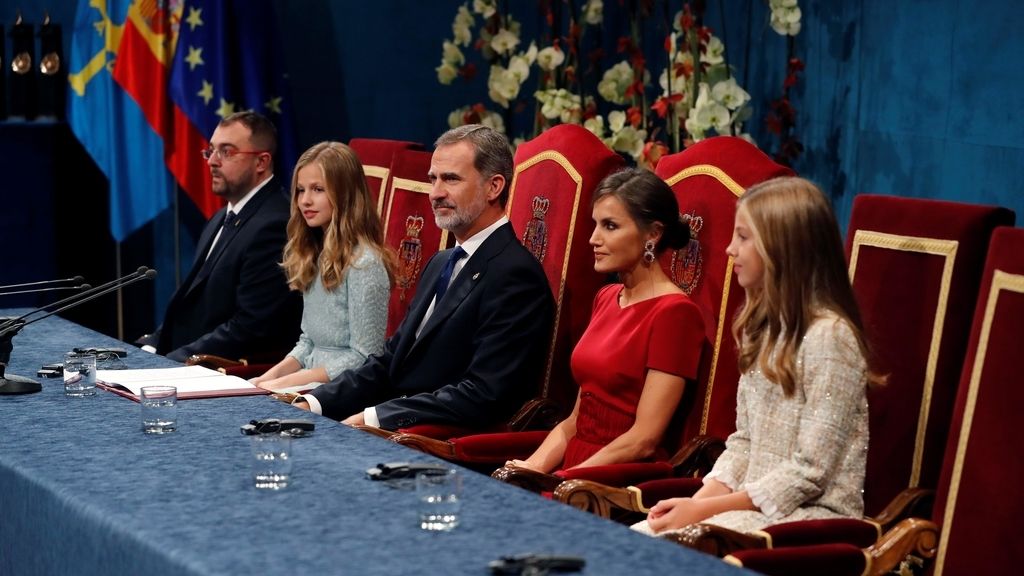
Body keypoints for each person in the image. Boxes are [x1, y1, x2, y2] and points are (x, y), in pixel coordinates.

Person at [634, 176, 877, 536]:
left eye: (743, 237)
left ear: (783, 248)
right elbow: (745, 442)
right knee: (641, 537)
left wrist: (702, 511)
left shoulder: (831, 337)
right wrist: (695, 505)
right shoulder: (760, 328)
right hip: (751, 508)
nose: (729, 249)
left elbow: (810, 472)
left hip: (809, 518)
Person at [290, 125, 554, 431]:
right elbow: (390, 361)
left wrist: (375, 418)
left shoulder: (515, 274)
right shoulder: (440, 262)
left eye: (451, 179)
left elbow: (483, 393)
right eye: (433, 179)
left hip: (436, 441)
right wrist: (314, 402)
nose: (436, 193)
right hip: (392, 423)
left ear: (494, 187)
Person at [501, 168, 706, 474]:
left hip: (617, 475)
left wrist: (567, 480)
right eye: (595, 224)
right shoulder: (606, 297)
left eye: (610, 226)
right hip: (576, 465)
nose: (593, 239)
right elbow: (575, 420)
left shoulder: (676, 313)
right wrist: (532, 468)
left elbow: (643, 439)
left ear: (653, 234)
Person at [138, 111, 301, 363]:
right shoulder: (221, 216)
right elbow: (192, 306)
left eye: (226, 152)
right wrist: (152, 345)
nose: (212, 161)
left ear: (261, 162)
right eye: (211, 151)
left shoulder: (274, 225)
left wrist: (170, 361)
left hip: (223, 370)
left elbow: (250, 327)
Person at [251, 142, 392, 393]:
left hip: (343, 389)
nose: (305, 200)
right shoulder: (314, 254)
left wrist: (282, 384)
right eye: (300, 190)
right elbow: (307, 343)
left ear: (345, 194)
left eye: (318, 189)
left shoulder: (364, 263)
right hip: (306, 383)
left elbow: (364, 357)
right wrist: (262, 380)